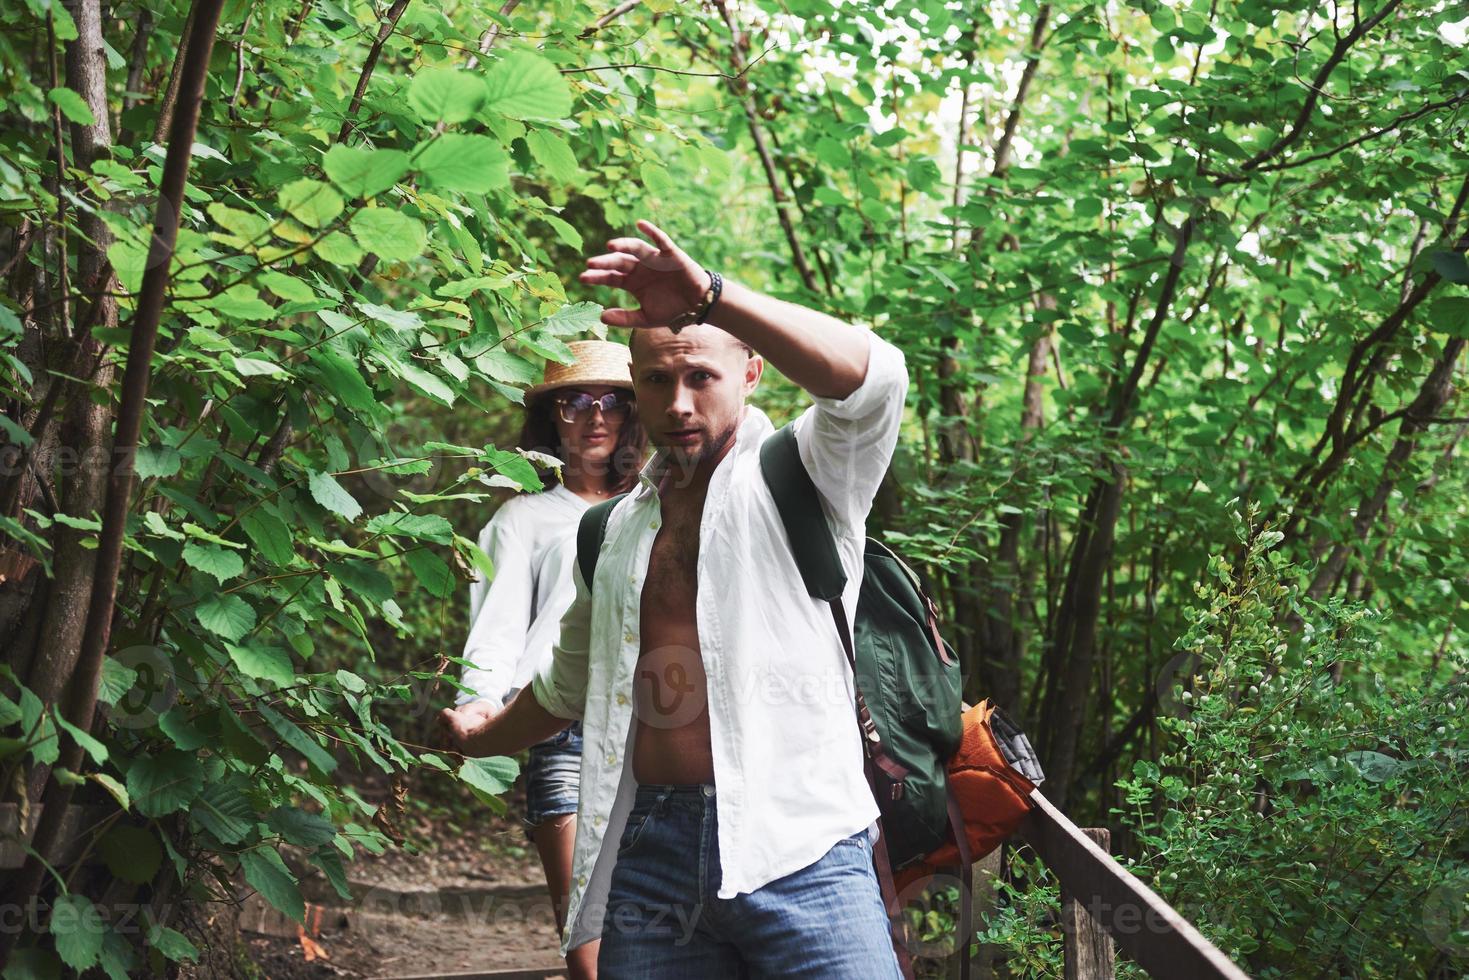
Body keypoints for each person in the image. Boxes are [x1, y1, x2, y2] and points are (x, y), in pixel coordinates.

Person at [441, 219, 909, 977]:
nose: (679, 403)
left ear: (750, 372)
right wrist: (479, 737)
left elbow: (873, 377)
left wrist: (714, 298)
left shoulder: (806, 475)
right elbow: (564, 688)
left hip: (805, 845)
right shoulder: (608, 533)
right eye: (655, 381)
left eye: (700, 376)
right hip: (651, 857)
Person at [442, 339, 646, 980]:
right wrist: (478, 706)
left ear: (634, 415)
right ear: (550, 420)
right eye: (574, 403)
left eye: (612, 401)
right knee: (586, 938)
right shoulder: (522, 518)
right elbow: (497, 626)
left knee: (660, 931)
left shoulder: (660, 507)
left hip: (660, 729)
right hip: (561, 723)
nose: (595, 417)